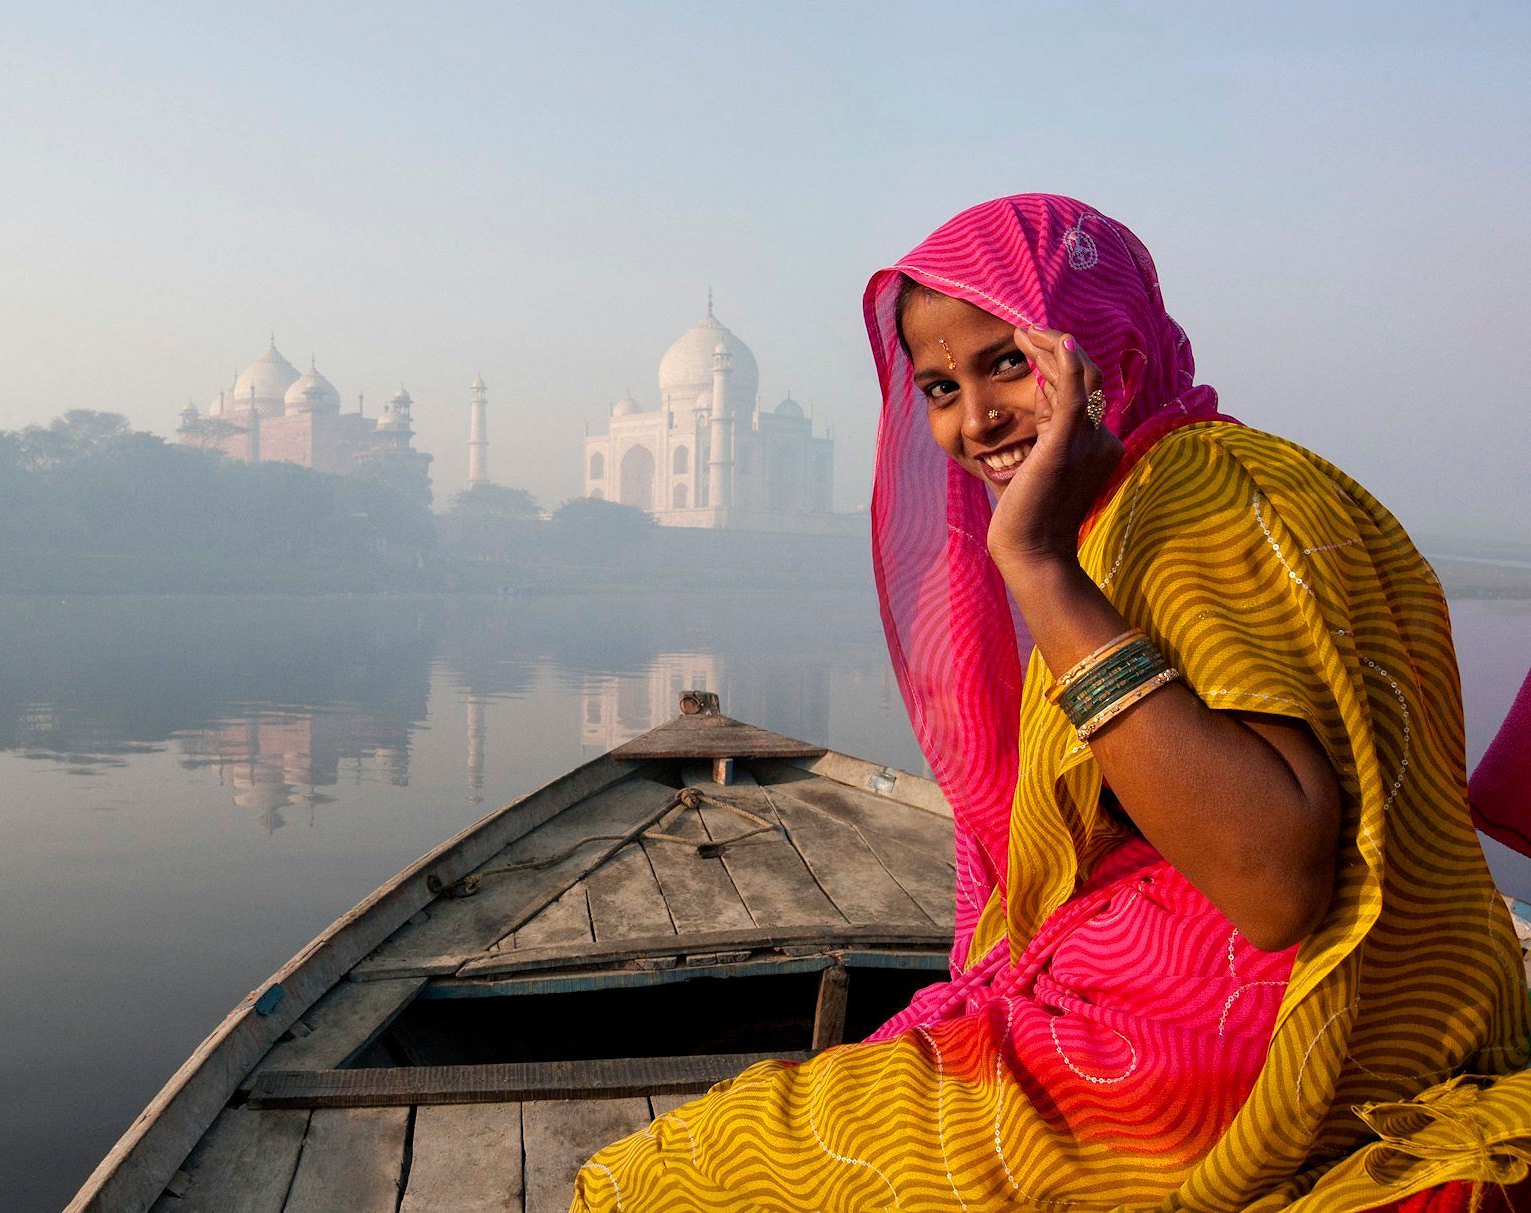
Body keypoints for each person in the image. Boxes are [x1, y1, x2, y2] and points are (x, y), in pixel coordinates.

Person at [571, 195, 1531, 1211]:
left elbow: (1274, 885)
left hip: (1224, 1044)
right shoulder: (1192, 481)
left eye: (1009, 362)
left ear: (1104, 344)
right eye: (940, 385)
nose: (974, 419)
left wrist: (1033, 567)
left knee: (649, 1178)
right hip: (1334, 999)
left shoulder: (1196, 502)